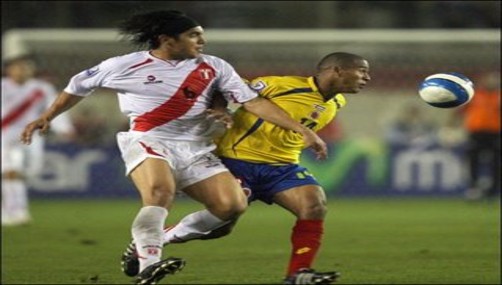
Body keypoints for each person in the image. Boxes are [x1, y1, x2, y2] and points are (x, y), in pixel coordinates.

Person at [20, 10, 327, 285]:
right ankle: (148, 269)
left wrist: (302, 130)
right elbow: (76, 87)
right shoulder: (124, 65)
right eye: (194, 35)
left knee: (230, 208)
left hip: (197, 147)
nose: (201, 41)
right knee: (159, 193)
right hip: (148, 140)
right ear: (166, 39)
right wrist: (46, 117)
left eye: (202, 35)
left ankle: (151, 241)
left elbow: (254, 102)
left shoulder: (215, 66)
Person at [121, 52, 371, 284]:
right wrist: (220, 108)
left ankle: (298, 273)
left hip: (282, 167)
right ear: (337, 71)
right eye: (361, 71)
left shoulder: (337, 102)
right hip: (237, 160)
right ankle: (153, 239)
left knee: (314, 205)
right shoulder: (279, 85)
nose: (367, 78)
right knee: (221, 228)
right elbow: (224, 85)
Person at [2, 55, 75, 226]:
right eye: (17, 67)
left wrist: (65, 129)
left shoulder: (42, 88)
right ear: (9, 70)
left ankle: (10, 210)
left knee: (28, 172)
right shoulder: (2, 86)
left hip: (31, 135)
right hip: (4, 134)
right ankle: (16, 211)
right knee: (11, 172)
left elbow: (54, 108)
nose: (21, 71)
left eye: (25, 67)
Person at [457, 71, 501, 200]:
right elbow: (460, 111)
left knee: (496, 162)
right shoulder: (474, 95)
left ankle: (494, 191)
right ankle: (473, 188)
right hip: (476, 132)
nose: (492, 82)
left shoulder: (499, 96)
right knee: (473, 161)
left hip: (496, 133)